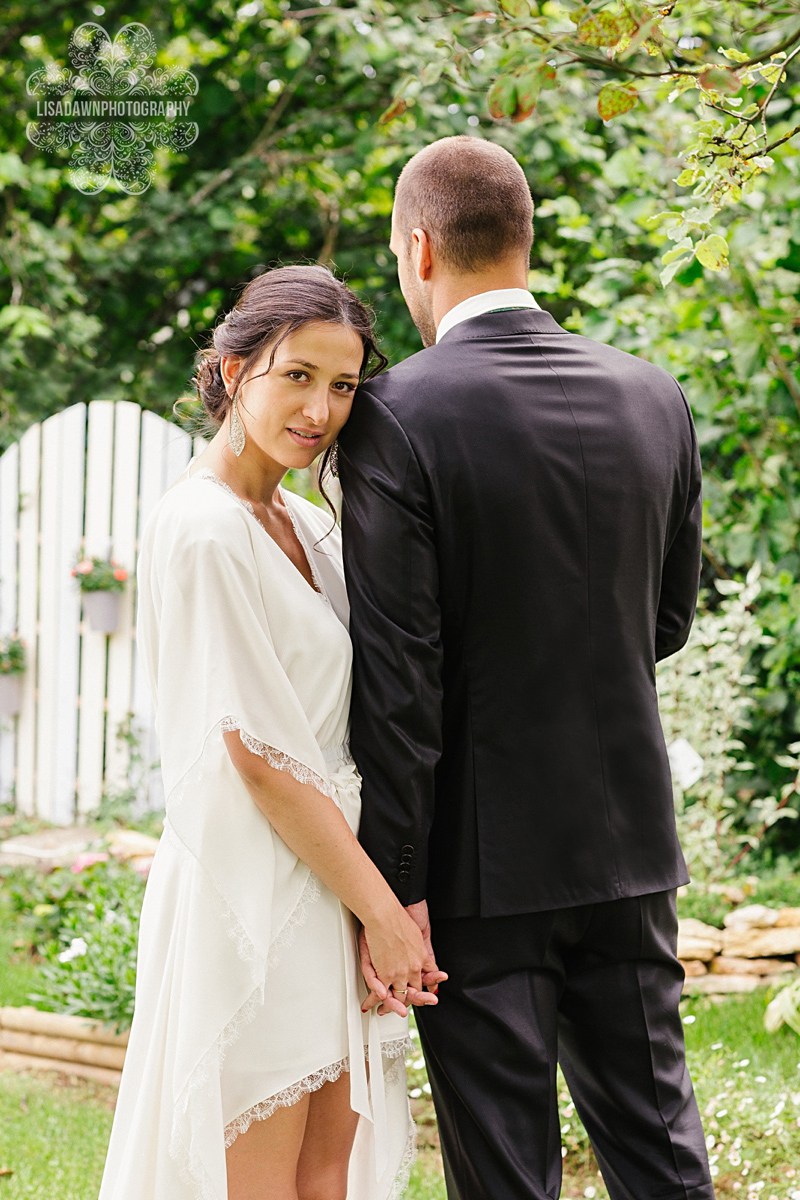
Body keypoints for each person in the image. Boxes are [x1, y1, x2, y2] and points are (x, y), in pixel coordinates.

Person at [338, 136, 715, 1200]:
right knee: (660, 1154)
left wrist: (395, 884)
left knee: (505, 1174)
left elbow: (400, 685)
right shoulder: (653, 396)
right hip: (630, 851)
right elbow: (669, 619)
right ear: (524, 239)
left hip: (476, 868)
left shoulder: (393, 414)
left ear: (417, 250)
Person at [98, 264, 444, 1200]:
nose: (322, 409)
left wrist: (369, 902)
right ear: (231, 368)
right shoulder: (205, 528)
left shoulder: (304, 520)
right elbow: (256, 756)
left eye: (342, 385)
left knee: (327, 1168)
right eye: (297, 375)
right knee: (257, 1179)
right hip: (254, 886)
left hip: (328, 876)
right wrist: (386, 913)